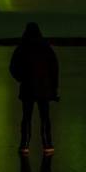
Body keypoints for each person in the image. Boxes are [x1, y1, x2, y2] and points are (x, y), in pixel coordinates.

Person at [9, 22, 59, 156]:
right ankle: (47, 144)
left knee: (26, 117)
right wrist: (53, 89)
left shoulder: (21, 47)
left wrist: (21, 78)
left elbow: (13, 68)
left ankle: (24, 145)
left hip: (28, 87)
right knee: (44, 117)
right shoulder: (46, 47)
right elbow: (54, 69)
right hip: (44, 88)